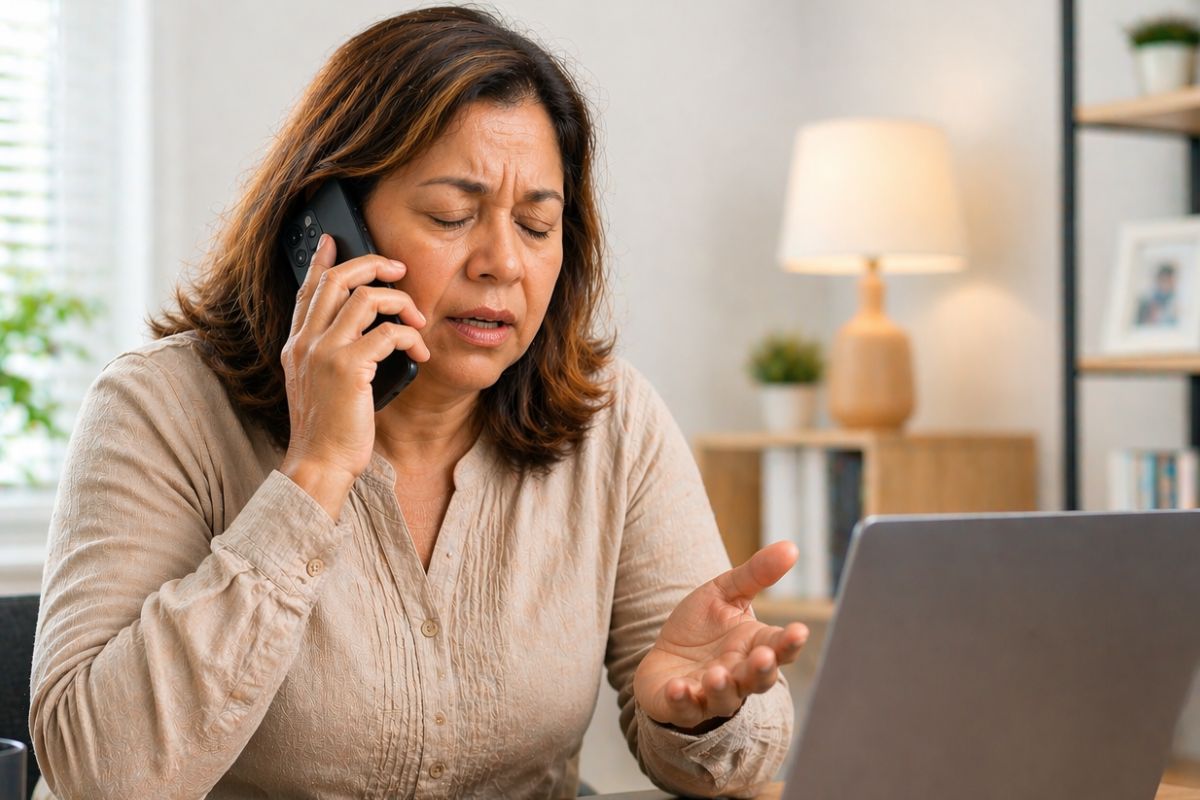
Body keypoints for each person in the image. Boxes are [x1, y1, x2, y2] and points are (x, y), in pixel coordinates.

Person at [29, 7, 805, 798]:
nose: (502, 261)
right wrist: (316, 473)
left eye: (537, 224)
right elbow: (101, 776)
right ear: (325, 227)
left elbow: (735, 760)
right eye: (450, 216)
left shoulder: (613, 422)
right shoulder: (160, 409)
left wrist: (697, 720)